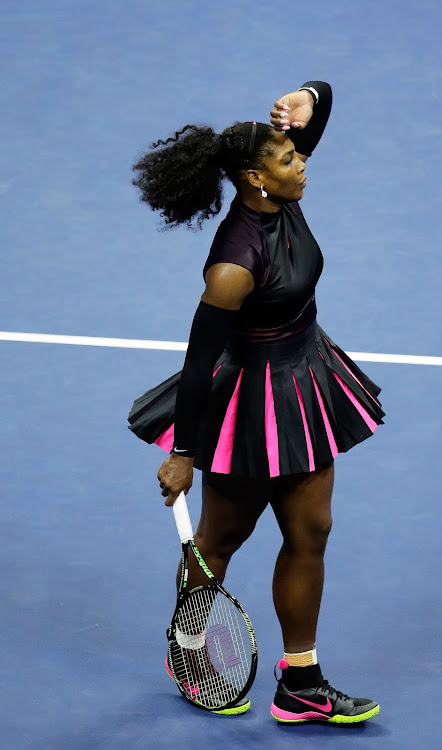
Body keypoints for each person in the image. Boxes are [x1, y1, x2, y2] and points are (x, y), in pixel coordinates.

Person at [129, 81, 385, 724]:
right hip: (249, 404)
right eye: (289, 158)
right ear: (255, 178)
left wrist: (306, 96)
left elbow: (318, 107)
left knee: (312, 530)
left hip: (307, 379)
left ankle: (301, 681)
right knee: (222, 537)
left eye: (298, 154)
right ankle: (190, 649)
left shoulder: (280, 188)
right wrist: (183, 453)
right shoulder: (234, 266)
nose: (303, 162)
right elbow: (199, 362)